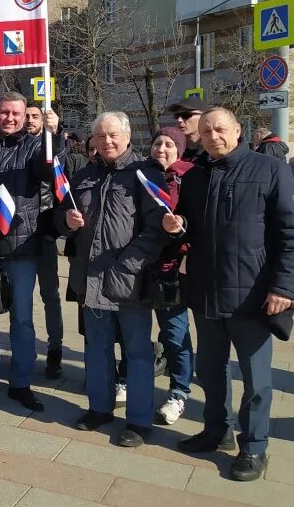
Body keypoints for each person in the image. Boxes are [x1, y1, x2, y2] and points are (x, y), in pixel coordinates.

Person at [163, 107, 294, 481]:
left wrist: (284, 287)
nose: (213, 136)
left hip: (253, 297)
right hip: (206, 292)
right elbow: (188, 225)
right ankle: (215, 431)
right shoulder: (195, 177)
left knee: (256, 380)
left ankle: (254, 448)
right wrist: (177, 226)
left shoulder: (271, 170)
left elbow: (289, 235)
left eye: (220, 129)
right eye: (205, 132)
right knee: (210, 371)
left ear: (237, 130)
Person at [56, 111, 169, 447]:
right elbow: (61, 217)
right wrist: (67, 221)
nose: (107, 141)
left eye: (113, 135)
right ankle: (99, 409)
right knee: (97, 350)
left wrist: (128, 265)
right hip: (90, 279)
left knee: (137, 353)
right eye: (101, 136)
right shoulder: (85, 175)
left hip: (129, 281)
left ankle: (138, 421)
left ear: (127, 135)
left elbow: (157, 229)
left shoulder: (145, 174)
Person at [0, 91, 62, 411]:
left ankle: (21, 382)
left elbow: (51, 171)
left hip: (22, 245)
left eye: (16, 114)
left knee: (21, 320)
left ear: (24, 116)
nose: (10, 118)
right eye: (4, 112)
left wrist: (52, 136)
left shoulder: (34, 146)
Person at [148, 127, 194, 425]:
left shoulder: (188, 178)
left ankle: (179, 392)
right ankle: (127, 380)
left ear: (179, 150)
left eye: (169, 145)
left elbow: (197, 223)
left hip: (171, 271)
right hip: (139, 270)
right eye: (157, 143)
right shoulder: (140, 174)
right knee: (134, 336)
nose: (161, 149)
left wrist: (180, 228)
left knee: (176, 335)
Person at [25, 103, 64, 378]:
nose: (29, 120)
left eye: (34, 116)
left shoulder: (49, 146)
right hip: (20, 237)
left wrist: (56, 133)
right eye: (26, 116)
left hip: (45, 234)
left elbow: (59, 172)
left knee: (50, 296)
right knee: (21, 299)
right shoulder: (16, 147)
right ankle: (24, 350)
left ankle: (55, 348)